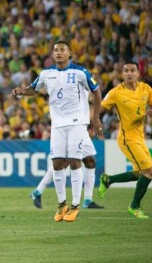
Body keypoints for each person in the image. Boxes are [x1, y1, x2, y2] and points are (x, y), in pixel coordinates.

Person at [11, 41, 102, 222]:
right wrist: (21, 91)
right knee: (58, 162)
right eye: (56, 51)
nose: (59, 53)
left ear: (70, 53)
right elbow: (33, 90)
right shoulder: (46, 74)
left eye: (62, 50)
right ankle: (62, 205)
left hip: (77, 123)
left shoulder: (80, 72)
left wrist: (96, 117)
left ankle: (76, 205)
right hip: (57, 124)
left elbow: (97, 92)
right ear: (53, 55)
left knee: (76, 160)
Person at [98, 62, 152, 219]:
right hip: (127, 138)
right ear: (122, 74)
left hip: (139, 137)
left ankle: (108, 180)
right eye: (126, 71)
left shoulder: (146, 89)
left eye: (132, 70)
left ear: (138, 73)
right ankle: (134, 206)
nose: (129, 73)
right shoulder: (116, 93)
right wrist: (95, 120)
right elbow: (100, 107)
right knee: (149, 171)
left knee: (139, 173)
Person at [29, 159, 104, 209]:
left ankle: (87, 200)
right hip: (71, 135)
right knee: (63, 163)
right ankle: (38, 192)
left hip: (82, 135)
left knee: (90, 161)